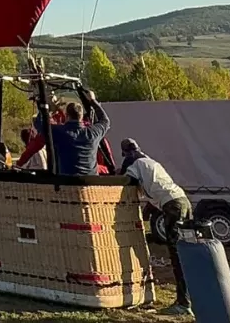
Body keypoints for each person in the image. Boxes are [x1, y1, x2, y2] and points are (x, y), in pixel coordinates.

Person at [120, 139, 193, 316]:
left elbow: (126, 182)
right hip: (182, 201)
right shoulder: (152, 163)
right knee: (188, 252)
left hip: (172, 206)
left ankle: (183, 304)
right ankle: (194, 299)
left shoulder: (134, 164)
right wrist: (146, 214)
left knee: (177, 255)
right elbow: (156, 190)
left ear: (126, 154)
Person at [49, 89, 110, 176]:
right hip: (90, 182)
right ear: (81, 116)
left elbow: (40, 125)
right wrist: (93, 101)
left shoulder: (59, 132)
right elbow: (105, 121)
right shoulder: (92, 133)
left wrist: (50, 109)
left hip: (68, 183)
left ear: (66, 116)